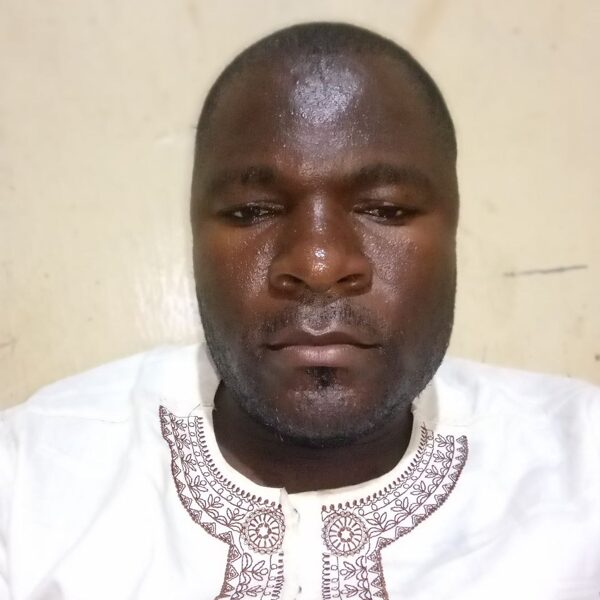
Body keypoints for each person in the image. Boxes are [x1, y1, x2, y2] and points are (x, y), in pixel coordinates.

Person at [0, 22, 599, 600]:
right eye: (252, 211)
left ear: (455, 227)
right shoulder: (30, 481)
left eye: (386, 210)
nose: (317, 262)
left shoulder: (582, 471)